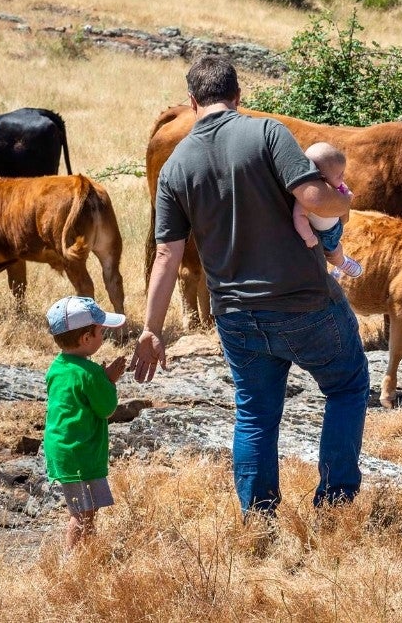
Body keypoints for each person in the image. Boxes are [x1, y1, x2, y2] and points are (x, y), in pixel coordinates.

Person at [131, 55, 369, 515]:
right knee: (347, 386)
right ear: (239, 96)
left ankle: (259, 518)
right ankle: (335, 505)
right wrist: (344, 198)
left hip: (235, 315)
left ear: (192, 101)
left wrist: (151, 329)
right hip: (304, 303)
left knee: (255, 415)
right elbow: (314, 197)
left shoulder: (177, 165)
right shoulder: (267, 133)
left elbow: (167, 254)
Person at [42, 295, 127, 551]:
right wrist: (108, 380)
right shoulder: (89, 374)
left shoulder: (57, 367)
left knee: (85, 511)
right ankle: (72, 565)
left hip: (63, 449)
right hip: (80, 453)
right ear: (86, 339)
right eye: (101, 331)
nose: (103, 336)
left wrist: (100, 376)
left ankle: (84, 556)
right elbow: (107, 409)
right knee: (82, 514)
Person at [294, 142, 363, 279]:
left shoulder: (333, 183)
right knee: (333, 251)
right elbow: (299, 216)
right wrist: (308, 236)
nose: (343, 178)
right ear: (322, 178)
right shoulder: (308, 196)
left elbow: (342, 186)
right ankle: (342, 263)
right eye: (339, 175)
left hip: (336, 224)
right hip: (326, 234)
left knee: (339, 237)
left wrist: (347, 193)